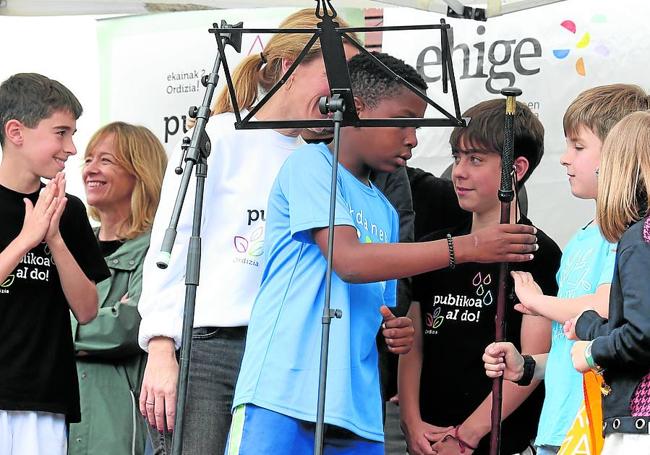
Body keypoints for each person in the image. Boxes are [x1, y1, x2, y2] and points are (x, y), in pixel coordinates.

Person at [226, 51, 538, 454]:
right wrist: (470, 246)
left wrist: (396, 330)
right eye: (404, 121)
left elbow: (382, 309)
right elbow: (350, 262)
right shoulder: (310, 165)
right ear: (357, 109)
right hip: (281, 394)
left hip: (357, 409)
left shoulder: (386, 210)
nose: (412, 138)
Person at [137, 9, 360, 455]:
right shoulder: (217, 136)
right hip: (208, 347)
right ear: (285, 68)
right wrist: (161, 346)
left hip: (283, 354)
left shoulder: (317, 161)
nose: (341, 91)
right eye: (334, 74)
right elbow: (171, 244)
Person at [482, 84, 649, 455]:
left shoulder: (624, 235)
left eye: (578, 145)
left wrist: (539, 303)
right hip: (557, 428)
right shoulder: (582, 238)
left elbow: (606, 308)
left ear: (619, 152)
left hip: (596, 426)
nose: (564, 157)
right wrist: (528, 366)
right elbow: (571, 348)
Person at [398, 98, 562, 455]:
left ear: (516, 169)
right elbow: (412, 345)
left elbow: (533, 359)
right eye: (457, 157)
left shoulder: (537, 253)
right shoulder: (434, 248)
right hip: (426, 439)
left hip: (496, 442)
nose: (459, 171)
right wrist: (411, 421)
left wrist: (467, 435)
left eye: (475, 159)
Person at [0, 73, 110, 454]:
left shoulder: (69, 210)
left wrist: (55, 239)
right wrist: (25, 240)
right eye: (61, 133)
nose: (72, 148)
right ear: (16, 132)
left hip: (45, 397)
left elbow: (87, 310)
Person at [68, 122, 167, 455]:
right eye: (89, 158)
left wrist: (54, 329)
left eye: (105, 160)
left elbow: (129, 324)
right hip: (58, 418)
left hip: (117, 423)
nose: (90, 169)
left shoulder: (158, 248)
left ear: (140, 172)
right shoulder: (70, 244)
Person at [565, 110, 650, 454]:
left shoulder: (640, 237)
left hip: (639, 426)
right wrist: (590, 326)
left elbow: (643, 334)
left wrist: (591, 350)